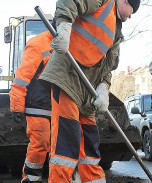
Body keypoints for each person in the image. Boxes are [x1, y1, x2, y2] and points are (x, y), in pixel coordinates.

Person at [38, 0, 140, 182]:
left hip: (88, 91)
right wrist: (64, 28)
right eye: (132, 11)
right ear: (125, 1)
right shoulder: (104, 2)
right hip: (67, 76)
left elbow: (107, 67)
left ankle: (93, 180)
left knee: (90, 141)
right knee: (66, 140)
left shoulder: (116, 32)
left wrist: (103, 88)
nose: (130, 16)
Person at [9, 30, 53, 182]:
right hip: (38, 105)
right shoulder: (39, 43)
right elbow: (22, 78)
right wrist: (17, 106)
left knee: (60, 148)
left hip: (60, 105)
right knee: (40, 143)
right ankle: (31, 180)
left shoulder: (73, 41)